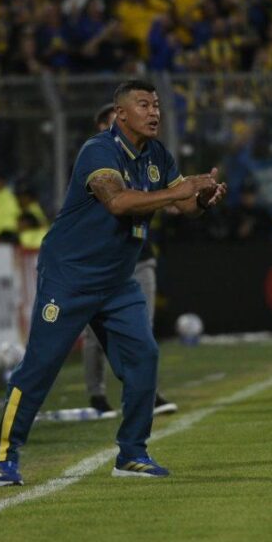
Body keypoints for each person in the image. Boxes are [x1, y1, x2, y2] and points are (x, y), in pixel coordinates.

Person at [0, 80, 226, 487]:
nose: (154, 112)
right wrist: (180, 190)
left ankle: (132, 453)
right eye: (143, 105)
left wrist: (201, 199)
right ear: (120, 114)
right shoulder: (99, 150)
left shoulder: (157, 155)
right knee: (42, 366)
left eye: (156, 105)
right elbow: (117, 202)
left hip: (117, 281)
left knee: (144, 357)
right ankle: (4, 457)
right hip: (70, 277)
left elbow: (182, 204)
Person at [82, 102, 177, 419]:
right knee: (96, 334)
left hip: (138, 256)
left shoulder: (145, 160)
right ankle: (97, 396)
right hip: (102, 262)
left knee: (143, 331)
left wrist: (187, 197)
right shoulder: (94, 164)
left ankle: (145, 393)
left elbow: (168, 197)